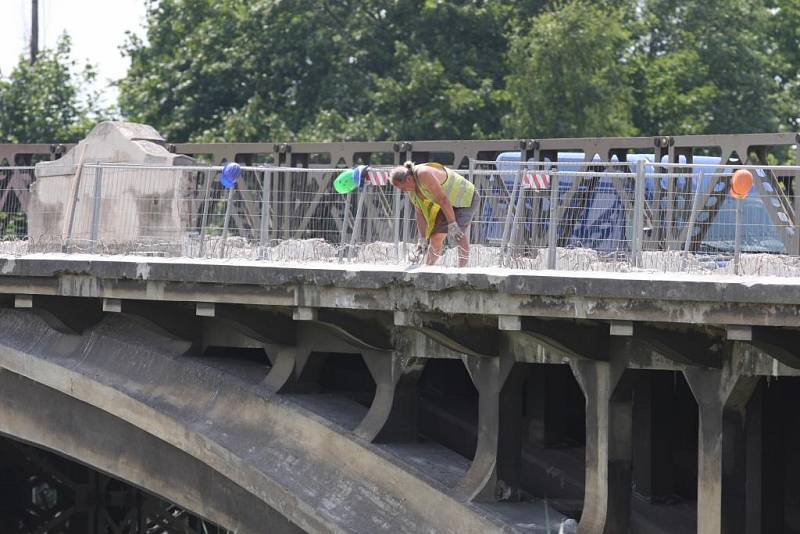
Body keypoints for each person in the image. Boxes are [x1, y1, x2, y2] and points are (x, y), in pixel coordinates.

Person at [390, 161, 480, 267]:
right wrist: (422, 238)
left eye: (403, 187)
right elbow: (420, 214)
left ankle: (462, 270)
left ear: (409, 179)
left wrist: (452, 224)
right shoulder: (412, 191)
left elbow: (443, 199)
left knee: (458, 233)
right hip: (448, 203)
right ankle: (428, 267)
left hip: (466, 198)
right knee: (436, 236)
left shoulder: (424, 174)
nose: (403, 191)